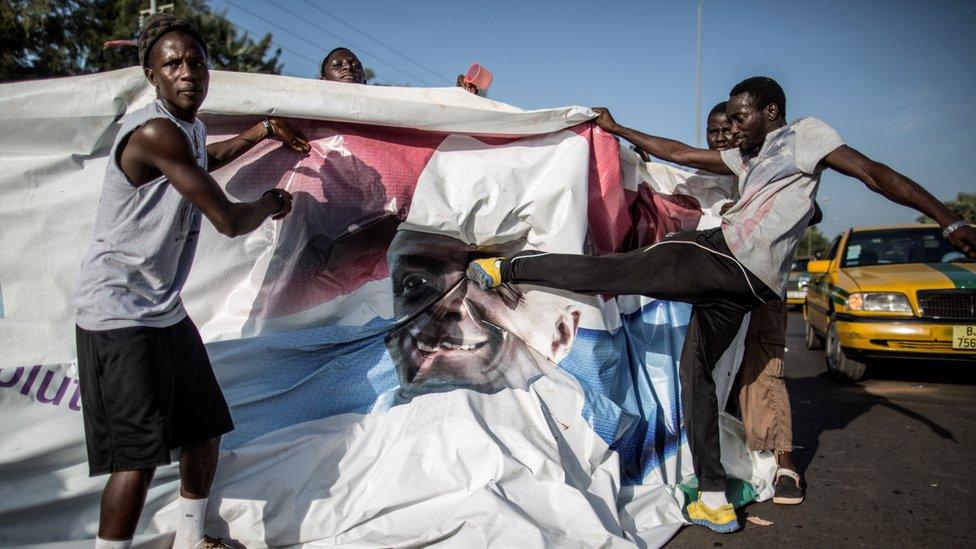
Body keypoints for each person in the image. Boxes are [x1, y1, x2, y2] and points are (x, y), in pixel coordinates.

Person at [467, 76, 976, 533]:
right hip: (747, 287)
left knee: (614, 271)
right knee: (698, 372)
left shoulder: (804, 135)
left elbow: (874, 173)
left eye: (739, 116)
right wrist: (620, 130)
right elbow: (682, 155)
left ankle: (506, 269)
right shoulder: (747, 158)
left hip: (726, 257)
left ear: (770, 111)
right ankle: (713, 496)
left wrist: (947, 220)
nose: (731, 128)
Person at [72, 13, 310, 549]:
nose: (187, 72)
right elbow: (226, 219)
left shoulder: (188, 131)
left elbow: (205, 158)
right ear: (151, 75)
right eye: (172, 63)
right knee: (135, 460)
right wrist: (272, 202)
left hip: (162, 310)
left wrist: (261, 131)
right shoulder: (154, 130)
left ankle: (190, 540)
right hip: (118, 315)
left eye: (196, 62)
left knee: (204, 428)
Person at [703, 101, 804, 505]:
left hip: (760, 285)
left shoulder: (767, 168)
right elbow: (669, 157)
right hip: (713, 288)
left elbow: (807, 211)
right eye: (716, 131)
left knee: (760, 368)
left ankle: (785, 462)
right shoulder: (700, 173)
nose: (724, 137)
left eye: (731, 129)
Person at [386, 229, 581, 403]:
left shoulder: (592, 435)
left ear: (561, 333)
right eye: (415, 283)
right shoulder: (365, 433)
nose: (445, 308)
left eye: (493, 285)